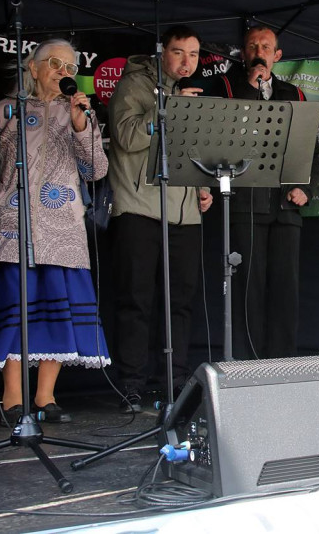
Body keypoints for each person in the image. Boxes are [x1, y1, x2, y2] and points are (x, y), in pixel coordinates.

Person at [0, 39, 111, 424]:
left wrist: (82, 121)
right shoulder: (4, 111)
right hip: (12, 226)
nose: (63, 72)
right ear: (33, 68)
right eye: (54, 64)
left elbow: (96, 170)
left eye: (70, 67)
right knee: (16, 313)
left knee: (56, 313)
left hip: (63, 227)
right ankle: (13, 397)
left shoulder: (80, 114)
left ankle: (46, 396)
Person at [108, 25, 213, 412]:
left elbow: (196, 151)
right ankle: (131, 384)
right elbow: (125, 136)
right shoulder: (135, 84)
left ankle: (174, 380)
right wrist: (167, 111)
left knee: (180, 301)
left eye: (194, 54)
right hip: (138, 206)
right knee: (136, 300)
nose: (187, 62)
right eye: (179, 52)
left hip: (184, 213)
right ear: (161, 52)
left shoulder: (193, 92)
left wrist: (203, 187)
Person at [214, 26, 319, 360]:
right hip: (247, 206)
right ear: (243, 53)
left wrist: (307, 188)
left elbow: (311, 149)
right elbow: (226, 136)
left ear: (277, 56)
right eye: (252, 46)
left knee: (285, 292)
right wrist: (251, 87)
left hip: (286, 209)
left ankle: (283, 363)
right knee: (249, 290)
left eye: (266, 47)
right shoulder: (229, 89)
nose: (259, 51)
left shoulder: (294, 94)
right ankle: (250, 363)